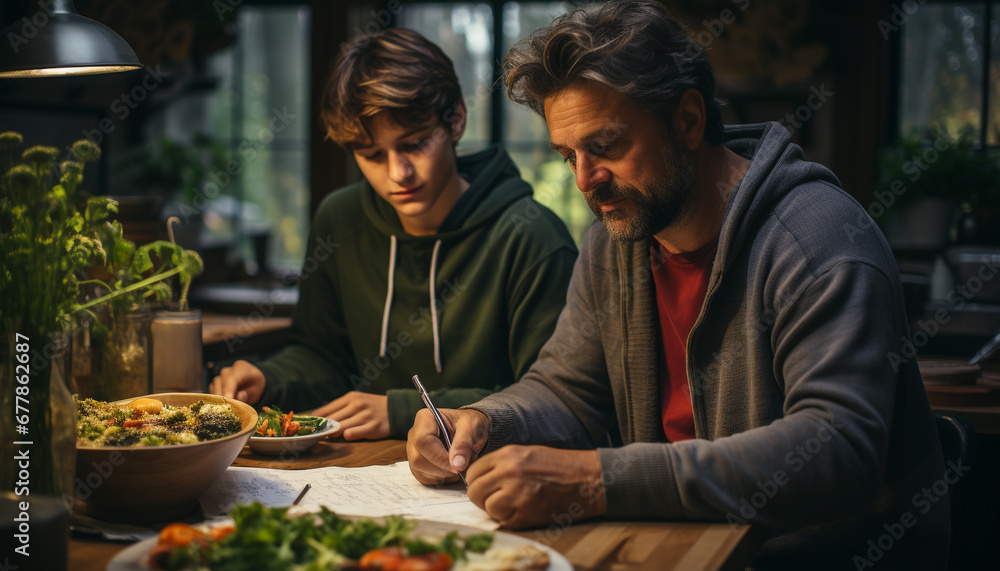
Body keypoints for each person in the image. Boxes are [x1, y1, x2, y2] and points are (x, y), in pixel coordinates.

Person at [406, 1, 949, 568]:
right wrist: (486, 423)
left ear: (688, 121)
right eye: (568, 156)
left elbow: (838, 452)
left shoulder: (819, 241)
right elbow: (569, 390)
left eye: (606, 146)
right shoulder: (615, 241)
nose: (585, 181)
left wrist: (597, 481)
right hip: (687, 547)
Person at [211, 28, 577, 441]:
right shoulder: (340, 218)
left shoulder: (532, 238)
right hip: (357, 468)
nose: (397, 174)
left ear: (456, 119)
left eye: (416, 144)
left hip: (481, 473)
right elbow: (323, 357)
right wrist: (268, 377)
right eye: (371, 155)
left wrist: (404, 409)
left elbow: (552, 402)